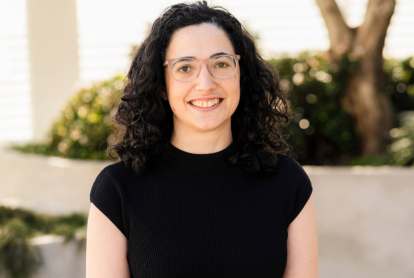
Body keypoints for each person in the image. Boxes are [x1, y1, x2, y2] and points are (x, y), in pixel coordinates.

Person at [86, 1, 318, 277]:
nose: (205, 84)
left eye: (221, 64)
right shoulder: (117, 191)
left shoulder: (288, 183)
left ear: (240, 75)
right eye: (185, 68)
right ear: (161, 85)